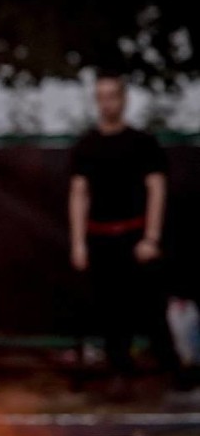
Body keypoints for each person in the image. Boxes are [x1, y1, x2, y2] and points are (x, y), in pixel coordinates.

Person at [68, 70, 184, 396]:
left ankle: (172, 373)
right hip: (101, 239)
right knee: (109, 310)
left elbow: (156, 188)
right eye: (101, 97)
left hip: (136, 238)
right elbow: (79, 193)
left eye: (112, 96)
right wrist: (79, 243)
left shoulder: (142, 144)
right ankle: (120, 371)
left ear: (123, 99)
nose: (107, 104)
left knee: (151, 308)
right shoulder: (87, 146)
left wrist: (151, 237)